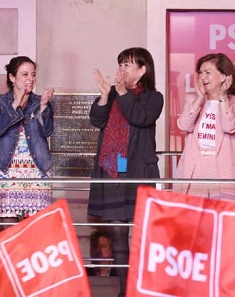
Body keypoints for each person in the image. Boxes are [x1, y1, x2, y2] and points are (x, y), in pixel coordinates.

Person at [87, 47, 163, 297]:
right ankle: (126, 289)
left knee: (143, 231)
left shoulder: (154, 97)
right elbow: (97, 120)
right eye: (120, 64)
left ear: (143, 70)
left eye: (127, 65)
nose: (121, 69)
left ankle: (147, 285)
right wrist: (103, 95)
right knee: (118, 230)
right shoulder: (112, 95)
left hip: (138, 170)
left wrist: (120, 93)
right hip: (113, 165)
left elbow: (140, 118)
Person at [0, 56, 54, 229]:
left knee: (36, 228)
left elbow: (47, 131)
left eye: (33, 74)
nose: (30, 79)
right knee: (8, 227)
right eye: (25, 74)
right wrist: (15, 103)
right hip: (5, 169)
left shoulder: (40, 101)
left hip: (36, 169)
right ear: (12, 77)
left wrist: (44, 107)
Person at [174, 52, 235, 202]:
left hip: (221, 165)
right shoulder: (192, 99)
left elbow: (229, 127)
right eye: (200, 73)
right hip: (195, 165)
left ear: (223, 77)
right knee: (194, 219)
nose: (202, 77)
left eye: (208, 73)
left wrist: (222, 97)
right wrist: (200, 98)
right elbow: (183, 125)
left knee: (220, 218)